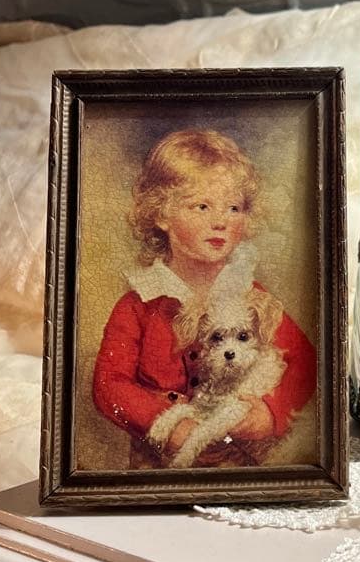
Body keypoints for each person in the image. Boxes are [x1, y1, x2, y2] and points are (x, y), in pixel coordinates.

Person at [92, 128, 316, 467]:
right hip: (160, 462)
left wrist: (270, 413)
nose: (220, 222)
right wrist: (164, 422)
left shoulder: (249, 293)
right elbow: (109, 385)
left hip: (238, 459)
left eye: (233, 208)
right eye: (202, 206)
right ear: (161, 214)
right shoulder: (139, 305)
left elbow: (306, 360)